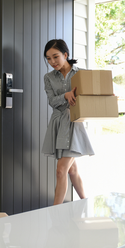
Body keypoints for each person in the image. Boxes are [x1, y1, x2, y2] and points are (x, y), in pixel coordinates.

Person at [41, 39, 94, 205]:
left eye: (55, 56)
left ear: (65, 54)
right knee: (72, 170)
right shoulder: (48, 77)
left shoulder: (82, 74)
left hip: (74, 124)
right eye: (48, 58)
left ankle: (55, 213)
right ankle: (86, 203)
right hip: (58, 124)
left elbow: (94, 95)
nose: (52, 62)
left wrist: (105, 97)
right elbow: (52, 101)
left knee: (61, 170)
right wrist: (65, 95)